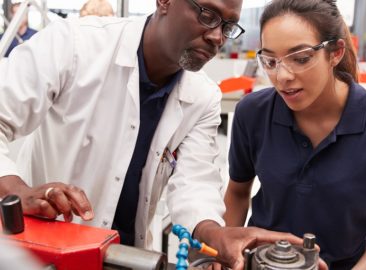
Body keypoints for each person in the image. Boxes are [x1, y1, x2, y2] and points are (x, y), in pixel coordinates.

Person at [0, 0, 303, 268]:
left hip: (130, 256)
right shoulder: (75, 45)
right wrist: (18, 190)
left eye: (229, 26)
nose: (216, 36)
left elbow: (195, 183)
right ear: (165, 1)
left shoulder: (202, 97)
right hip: (44, 251)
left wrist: (217, 234)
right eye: (208, 14)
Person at [224, 0, 366, 269]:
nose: (282, 76)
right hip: (260, 262)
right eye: (271, 61)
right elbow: (238, 191)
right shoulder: (253, 113)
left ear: (335, 52)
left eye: (301, 58)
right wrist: (226, 253)